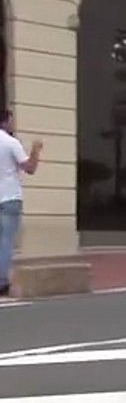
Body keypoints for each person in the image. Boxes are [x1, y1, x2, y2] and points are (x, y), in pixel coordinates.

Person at [0, 109, 42, 296]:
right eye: (10, 120)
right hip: (9, 197)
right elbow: (30, 168)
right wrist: (36, 150)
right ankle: (1, 282)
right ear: (5, 122)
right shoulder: (10, 142)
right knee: (6, 241)